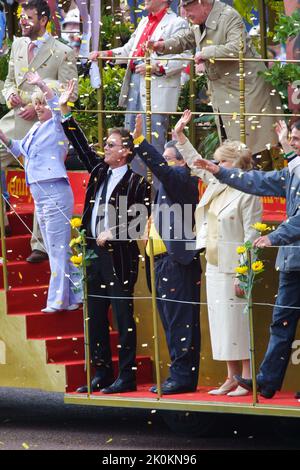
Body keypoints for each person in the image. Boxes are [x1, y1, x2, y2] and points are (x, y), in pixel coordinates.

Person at [192, 119, 300, 399]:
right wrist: (220, 171)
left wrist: (275, 237)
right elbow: (259, 181)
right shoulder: (292, 171)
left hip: (289, 251)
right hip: (291, 260)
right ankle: (266, 381)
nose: (292, 143)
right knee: (281, 322)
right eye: (293, 138)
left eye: (297, 140)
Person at [59, 82, 151, 395]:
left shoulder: (138, 182)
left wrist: (115, 231)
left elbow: (140, 223)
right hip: (91, 250)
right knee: (95, 313)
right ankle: (101, 370)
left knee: (123, 315)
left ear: (126, 151)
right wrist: (66, 112)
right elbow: (82, 147)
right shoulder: (99, 171)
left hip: (119, 256)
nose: (106, 148)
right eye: (107, 145)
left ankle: (127, 376)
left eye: (112, 145)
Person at [173, 110, 262, 396]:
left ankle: (247, 377)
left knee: (237, 321)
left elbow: (252, 234)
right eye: (217, 160)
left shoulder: (249, 191)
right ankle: (231, 376)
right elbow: (196, 164)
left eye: (222, 160)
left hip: (234, 266)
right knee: (220, 322)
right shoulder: (217, 183)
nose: (216, 164)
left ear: (237, 164)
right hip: (212, 262)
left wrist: (244, 271)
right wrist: (181, 137)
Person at [149, 0, 282, 160]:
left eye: (189, 9)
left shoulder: (229, 16)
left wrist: (207, 52)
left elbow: (237, 47)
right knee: (232, 149)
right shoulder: (199, 20)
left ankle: (255, 180)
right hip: (225, 92)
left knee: (254, 146)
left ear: (202, 4)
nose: (186, 14)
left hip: (247, 90)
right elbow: (187, 38)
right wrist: (162, 46)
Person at [1, 0, 78, 262]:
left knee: (43, 181)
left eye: (28, 18)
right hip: (13, 121)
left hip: (43, 128)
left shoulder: (63, 51)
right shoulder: (18, 44)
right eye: (21, 17)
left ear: (44, 19)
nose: (22, 21)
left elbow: (72, 92)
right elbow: (9, 81)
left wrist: (38, 102)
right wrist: (10, 93)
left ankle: (41, 244)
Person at [0, 72, 81, 313]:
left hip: (55, 190)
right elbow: (19, 148)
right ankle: (78, 294)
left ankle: (58, 301)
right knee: (58, 246)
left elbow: (57, 105)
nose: (38, 108)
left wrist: (42, 84)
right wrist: (3, 137)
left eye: (41, 103)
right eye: (36, 104)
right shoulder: (36, 127)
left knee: (56, 248)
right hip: (40, 193)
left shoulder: (58, 125)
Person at [133, 114, 201, 394]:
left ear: (182, 161)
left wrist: (139, 141)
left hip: (178, 262)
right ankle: (178, 373)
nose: (164, 163)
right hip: (161, 262)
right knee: (170, 321)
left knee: (181, 320)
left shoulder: (183, 180)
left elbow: (163, 169)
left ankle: (183, 376)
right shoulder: (167, 184)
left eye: (169, 158)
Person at [89, 0, 191, 181]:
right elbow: (130, 50)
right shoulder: (145, 21)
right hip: (135, 84)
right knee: (131, 143)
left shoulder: (177, 23)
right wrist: (107, 54)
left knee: (153, 146)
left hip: (156, 90)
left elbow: (184, 57)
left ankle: (156, 198)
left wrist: (156, 67)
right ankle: (138, 190)